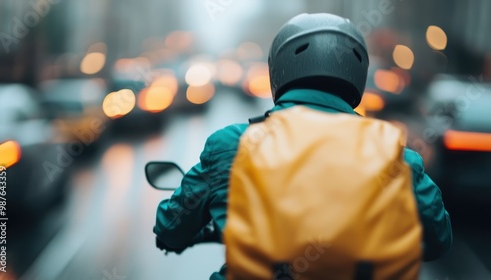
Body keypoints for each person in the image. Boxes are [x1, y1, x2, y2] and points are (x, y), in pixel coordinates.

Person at [153, 13, 453, 279]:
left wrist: (176, 235)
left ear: (278, 71)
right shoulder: (395, 154)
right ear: (357, 75)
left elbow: (171, 225)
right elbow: (438, 238)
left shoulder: (232, 145)